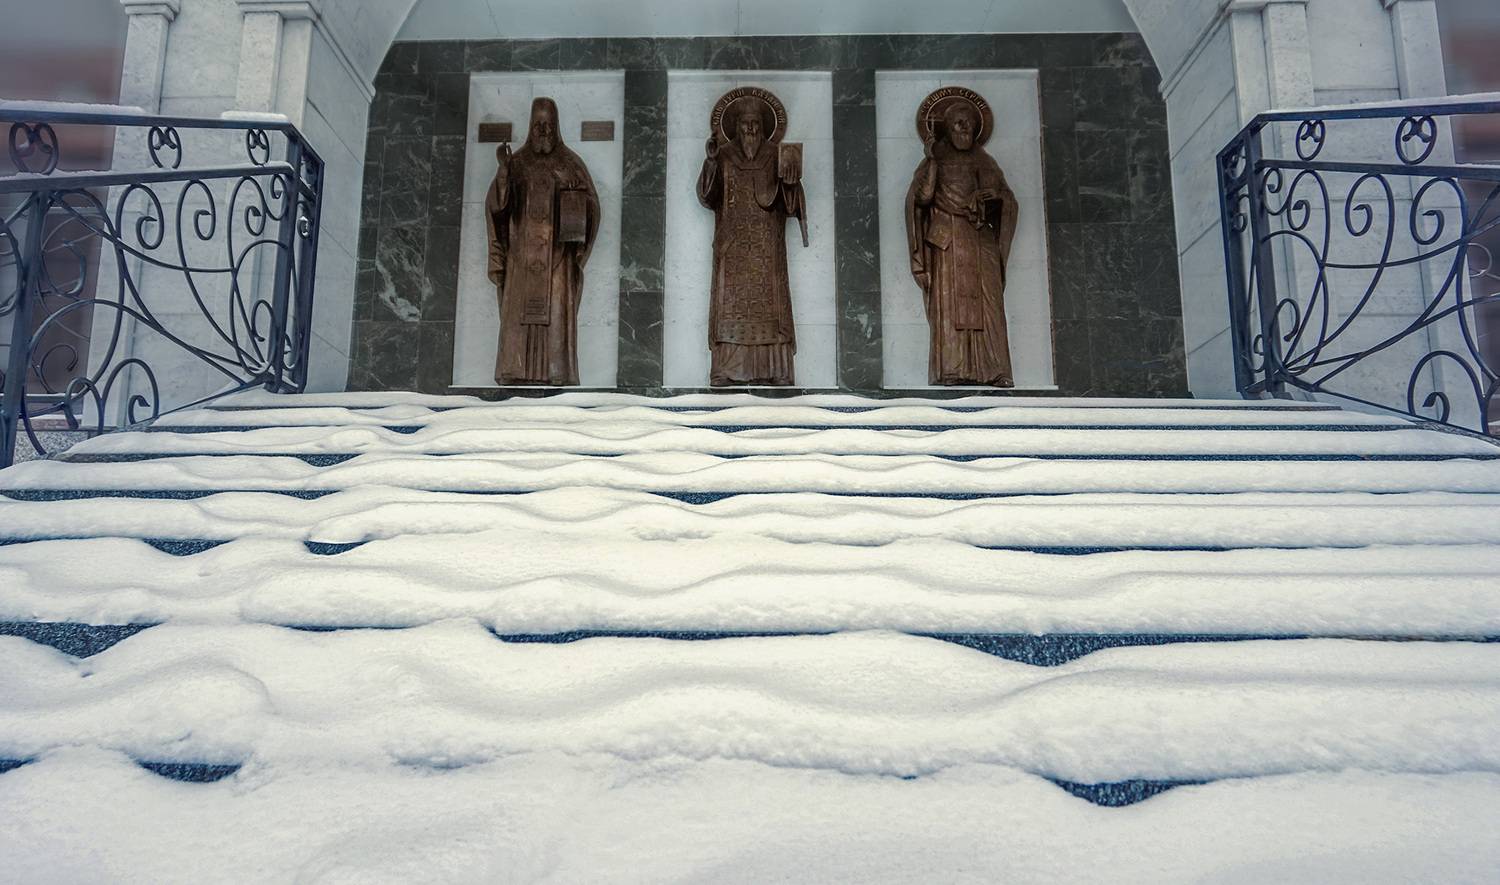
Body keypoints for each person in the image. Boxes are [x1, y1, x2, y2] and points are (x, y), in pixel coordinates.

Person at [486, 97, 600, 386]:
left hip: (558, 258)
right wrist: (503, 173)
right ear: (530, 126)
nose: (543, 130)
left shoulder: (570, 163)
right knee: (518, 314)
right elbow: (497, 208)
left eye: (548, 124)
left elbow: (592, 207)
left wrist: (577, 201)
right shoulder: (517, 163)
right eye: (538, 124)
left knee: (556, 314)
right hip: (522, 257)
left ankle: (557, 372)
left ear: (556, 126)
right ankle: (513, 370)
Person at [906, 101, 1018, 387]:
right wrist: (932, 161)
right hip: (948, 240)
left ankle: (995, 369)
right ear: (947, 127)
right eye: (959, 122)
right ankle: (952, 369)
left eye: (969, 123)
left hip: (980, 239)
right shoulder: (935, 159)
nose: (965, 128)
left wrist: (994, 197)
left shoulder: (985, 160)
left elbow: (1007, 199)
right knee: (950, 305)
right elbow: (921, 198)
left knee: (990, 304)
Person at [697, 99, 807, 386]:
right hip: (733, 246)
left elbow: (791, 203)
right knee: (730, 305)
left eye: (756, 123)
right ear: (735, 127)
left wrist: (791, 183)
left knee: (772, 305)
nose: (751, 128)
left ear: (764, 127)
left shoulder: (775, 155)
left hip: (766, 246)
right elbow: (708, 196)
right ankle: (726, 370)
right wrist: (710, 162)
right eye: (745, 123)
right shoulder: (723, 155)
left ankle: (776, 370)